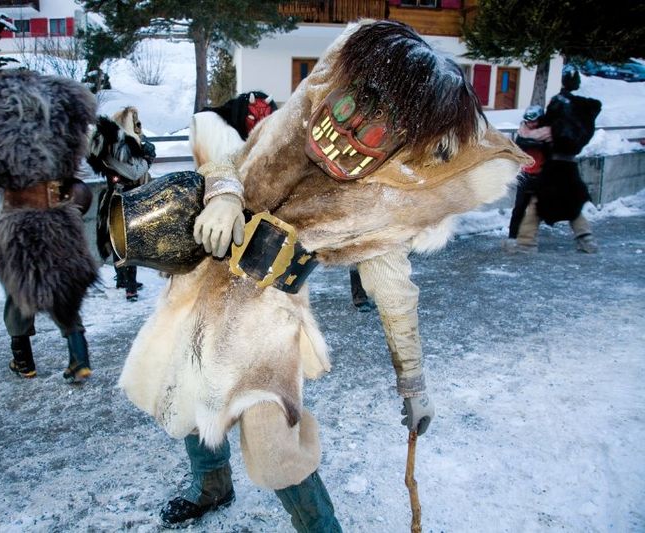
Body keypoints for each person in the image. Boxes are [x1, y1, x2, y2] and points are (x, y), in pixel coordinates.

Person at [117, 20, 528, 531]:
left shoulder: (376, 208)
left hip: (264, 325)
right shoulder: (292, 122)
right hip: (200, 286)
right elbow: (228, 160)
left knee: (273, 447)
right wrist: (224, 196)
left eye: (377, 130)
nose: (350, 130)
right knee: (184, 393)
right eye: (354, 106)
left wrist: (413, 383)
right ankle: (211, 484)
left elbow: (395, 295)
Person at [0, 70, 98, 382]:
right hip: (59, 220)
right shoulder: (62, 112)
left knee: (17, 291)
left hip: (17, 223)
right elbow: (83, 145)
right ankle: (80, 359)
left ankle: (23, 363)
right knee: (63, 290)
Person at [511, 65, 601, 254]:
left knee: (538, 202)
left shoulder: (558, 112)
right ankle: (587, 240)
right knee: (572, 204)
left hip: (554, 168)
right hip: (570, 166)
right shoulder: (577, 111)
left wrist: (525, 130)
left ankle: (526, 243)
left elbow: (533, 135)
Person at [87, 106, 155, 302]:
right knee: (126, 241)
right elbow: (133, 172)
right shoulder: (116, 146)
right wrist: (147, 160)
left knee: (121, 240)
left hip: (120, 196)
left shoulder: (114, 144)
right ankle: (130, 286)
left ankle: (124, 280)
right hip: (123, 198)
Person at [502, 104, 552, 252]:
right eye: (528, 121)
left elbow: (550, 152)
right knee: (518, 209)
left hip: (541, 177)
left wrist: (539, 145)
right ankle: (512, 238)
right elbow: (518, 148)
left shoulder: (547, 133)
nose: (530, 124)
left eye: (534, 121)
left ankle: (529, 241)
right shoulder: (523, 131)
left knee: (536, 211)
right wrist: (531, 143)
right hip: (526, 176)